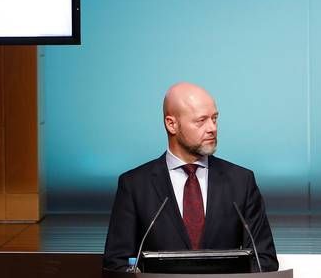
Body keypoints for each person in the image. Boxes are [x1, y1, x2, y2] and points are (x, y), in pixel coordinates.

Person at [102, 82, 278, 272]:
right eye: (201, 121)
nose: (212, 128)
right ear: (172, 124)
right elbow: (116, 264)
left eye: (214, 118)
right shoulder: (134, 185)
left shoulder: (241, 181)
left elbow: (264, 261)